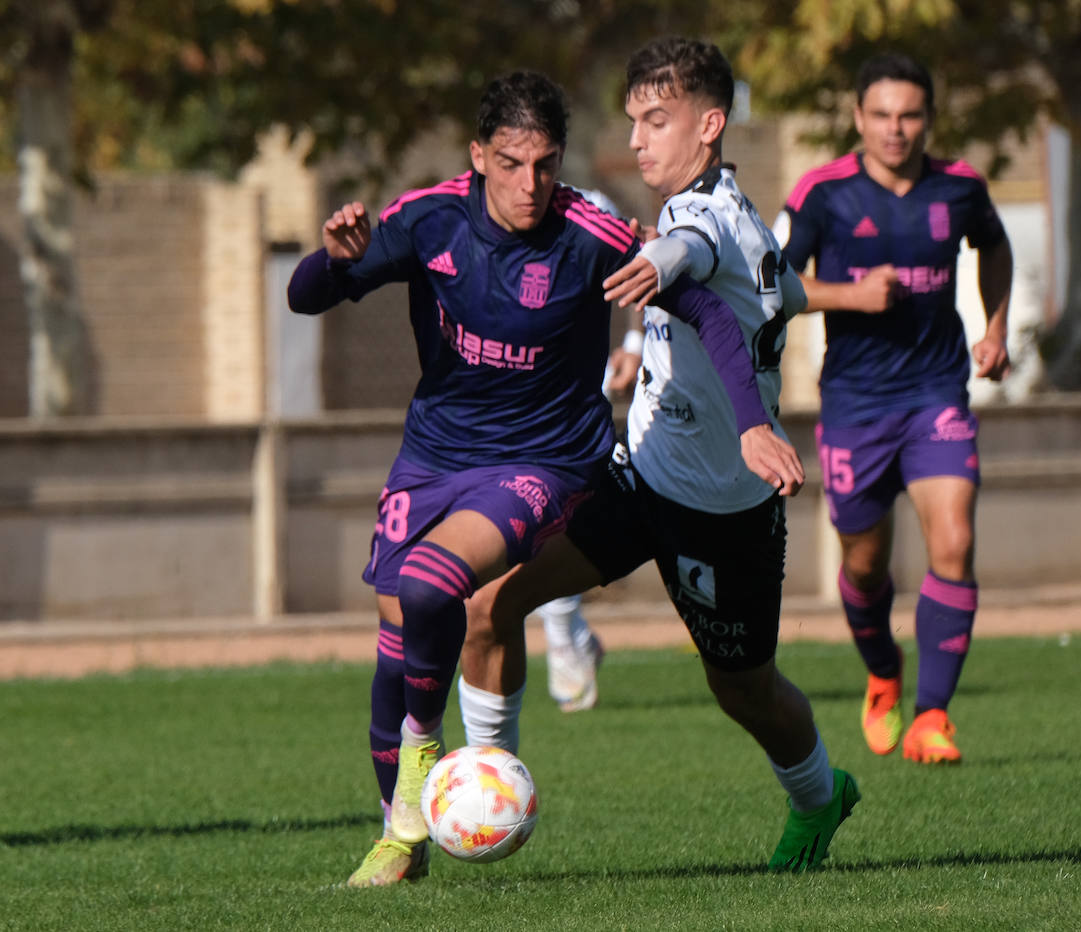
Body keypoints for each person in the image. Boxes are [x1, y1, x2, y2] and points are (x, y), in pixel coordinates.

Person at [286, 70, 804, 887]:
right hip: (434, 454)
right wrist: (331, 257)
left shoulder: (588, 230)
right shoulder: (429, 219)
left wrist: (749, 424)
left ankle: (427, 758)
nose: (531, 185)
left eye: (547, 164)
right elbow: (305, 296)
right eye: (511, 164)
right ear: (478, 156)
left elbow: (700, 306)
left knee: (431, 587)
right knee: (397, 634)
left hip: (545, 461)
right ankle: (400, 839)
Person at [460, 37, 859, 873]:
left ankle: (822, 796)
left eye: (657, 120)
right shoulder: (734, 217)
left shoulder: (703, 221)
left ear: (709, 125)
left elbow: (690, 257)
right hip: (636, 475)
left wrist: (658, 267)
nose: (638, 139)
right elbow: (771, 288)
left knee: (741, 685)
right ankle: (484, 787)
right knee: (492, 603)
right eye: (634, 120)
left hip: (722, 511)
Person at [774, 53, 1013, 764]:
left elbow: (994, 249)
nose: (895, 129)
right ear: (857, 117)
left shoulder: (961, 186)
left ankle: (932, 718)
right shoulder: (823, 193)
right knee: (868, 566)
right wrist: (849, 296)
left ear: (928, 119)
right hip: (854, 404)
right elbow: (771, 283)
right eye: (881, 115)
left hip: (936, 393)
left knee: (955, 542)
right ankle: (883, 674)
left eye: (909, 115)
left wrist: (995, 328)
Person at [535, 190, 641, 714]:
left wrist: (635, 346)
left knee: (554, 524)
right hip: (510, 404)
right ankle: (574, 635)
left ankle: (562, 646)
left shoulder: (592, 207)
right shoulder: (473, 210)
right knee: (523, 541)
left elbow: (645, 265)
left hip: (577, 398)